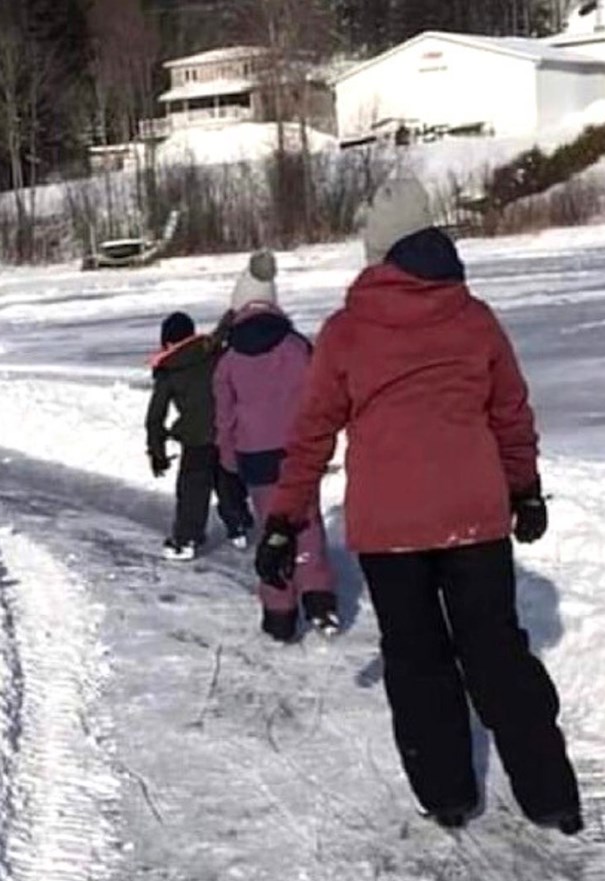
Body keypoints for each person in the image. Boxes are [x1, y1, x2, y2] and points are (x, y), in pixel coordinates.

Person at [253, 177, 582, 835]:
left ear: (378, 253)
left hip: (390, 530)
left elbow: (312, 433)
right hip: (475, 518)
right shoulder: (475, 317)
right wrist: (523, 489)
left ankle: (448, 794)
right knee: (495, 652)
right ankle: (551, 796)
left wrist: (286, 519)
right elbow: (510, 414)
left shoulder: (346, 332)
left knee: (417, 657)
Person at [214, 251, 338, 642]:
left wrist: (229, 460)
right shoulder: (297, 347)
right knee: (307, 520)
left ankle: (280, 612)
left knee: (272, 525)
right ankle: (318, 597)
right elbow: (320, 397)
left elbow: (224, 417)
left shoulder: (228, 359)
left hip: (256, 458)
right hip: (298, 451)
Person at [147, 311, 252, 561]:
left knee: (192, 489)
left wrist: (157, 453)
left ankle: (186, 540)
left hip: (196, 438)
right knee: (227, 480)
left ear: (167, 341)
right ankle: (238, 526)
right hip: (228, 429)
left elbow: (155, 417)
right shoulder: (214, 352)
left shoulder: (169, 369)